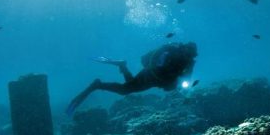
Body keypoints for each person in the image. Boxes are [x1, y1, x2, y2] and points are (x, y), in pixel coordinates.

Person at [66, 42, 198, 114]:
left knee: (128, 86)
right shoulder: (172, 51)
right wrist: (154, 71)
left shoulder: (189, 61)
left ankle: (122, 65)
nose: (188, 55)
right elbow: (154, 60)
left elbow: (187, 77)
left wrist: (178, 85)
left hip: (157, 80)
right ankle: (97, 85)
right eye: (188, 51)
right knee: (125, 89)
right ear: (185, 48)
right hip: (150, 76)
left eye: (191, 54)